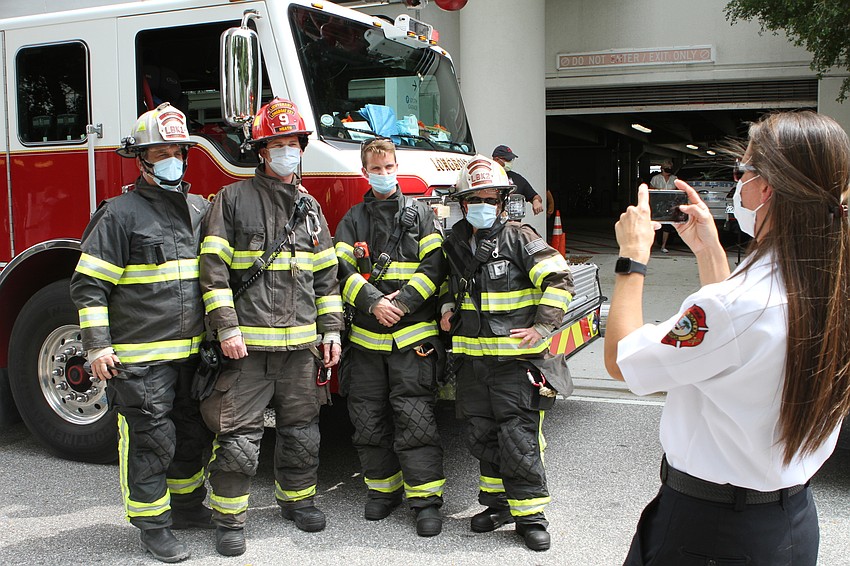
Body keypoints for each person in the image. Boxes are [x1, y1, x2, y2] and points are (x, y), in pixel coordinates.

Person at [604, 111, 850, 566]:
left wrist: (632, 258)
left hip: (712, 531)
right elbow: (726, 348)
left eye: (744, 172)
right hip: (790, 520)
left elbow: (623, 360)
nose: (739, 184)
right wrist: (709, 250)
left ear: (767, 190)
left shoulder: (738, 304)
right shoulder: (828, 282)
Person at [198, 98, 344, 556]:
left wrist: (332, 331)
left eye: (292, 143)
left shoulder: (310, 208)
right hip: (247, 350)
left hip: (301, 349)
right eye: (276, 144)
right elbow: (213, 271)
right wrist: (225, 328)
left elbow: (326, 276)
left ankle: (298, 501)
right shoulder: (232, 199)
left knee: (302, 432)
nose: (286, 151)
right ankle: (229, 519)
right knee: (239, 439)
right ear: (260, 151)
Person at [70, 102, 214, 563]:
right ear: (142, 159)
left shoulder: (199, 209)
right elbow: (89, 285)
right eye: (160, 151)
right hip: (140, 356)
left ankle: (188, 506)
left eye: (177, 149)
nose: (171, 157)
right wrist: (96, 346)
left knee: (194, 434)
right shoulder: (118, 214)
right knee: (153, 439)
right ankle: (153, 526)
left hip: (193, 352)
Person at [439, 155, 575, 552]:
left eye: (490, 198)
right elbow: (450, 285)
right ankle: (498, 505)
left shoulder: (520, 237)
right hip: (472, 363)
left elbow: (559, 279)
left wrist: (543, 326)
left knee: (518, 438)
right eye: (474, 198)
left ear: (501, 202)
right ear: (462, 203)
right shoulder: (455, 242)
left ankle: (530, 515)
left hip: (515, 364)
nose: (482, 205)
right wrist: (448, 309)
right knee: (482, 436)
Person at [334, 138, 448, 537]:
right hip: (366, 342)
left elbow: (435, 267)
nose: (383, 174)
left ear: (396, 167)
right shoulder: (352, 218)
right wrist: (372, 303)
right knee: (367, 421)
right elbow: (339, 270)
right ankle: (382, 493)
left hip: (412, 340)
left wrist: (402, 303)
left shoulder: (421, 214)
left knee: (415, 420)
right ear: (364, 172)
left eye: (389, 167)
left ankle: (426, 501)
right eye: (376, 169)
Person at [492, 145, 544, 215]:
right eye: (507, 159)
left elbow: (534, 196)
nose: (510, 162)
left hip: (513, 223)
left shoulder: (516, 178)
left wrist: (536, 201)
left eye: (511, 160)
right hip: (491, 222)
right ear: (496, 160)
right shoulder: (486, 177)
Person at [649, 160, 678, 253]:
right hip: (657, 204)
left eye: (670, 167)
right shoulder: (655, 178)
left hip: (669, 204)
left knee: (667, 226)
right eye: (667, 167)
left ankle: (663, 245)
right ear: (662, 168)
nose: (669, 169)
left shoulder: (674, 178)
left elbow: (677, 191)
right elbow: (651, 190)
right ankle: (650, 244)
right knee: (655, 225)